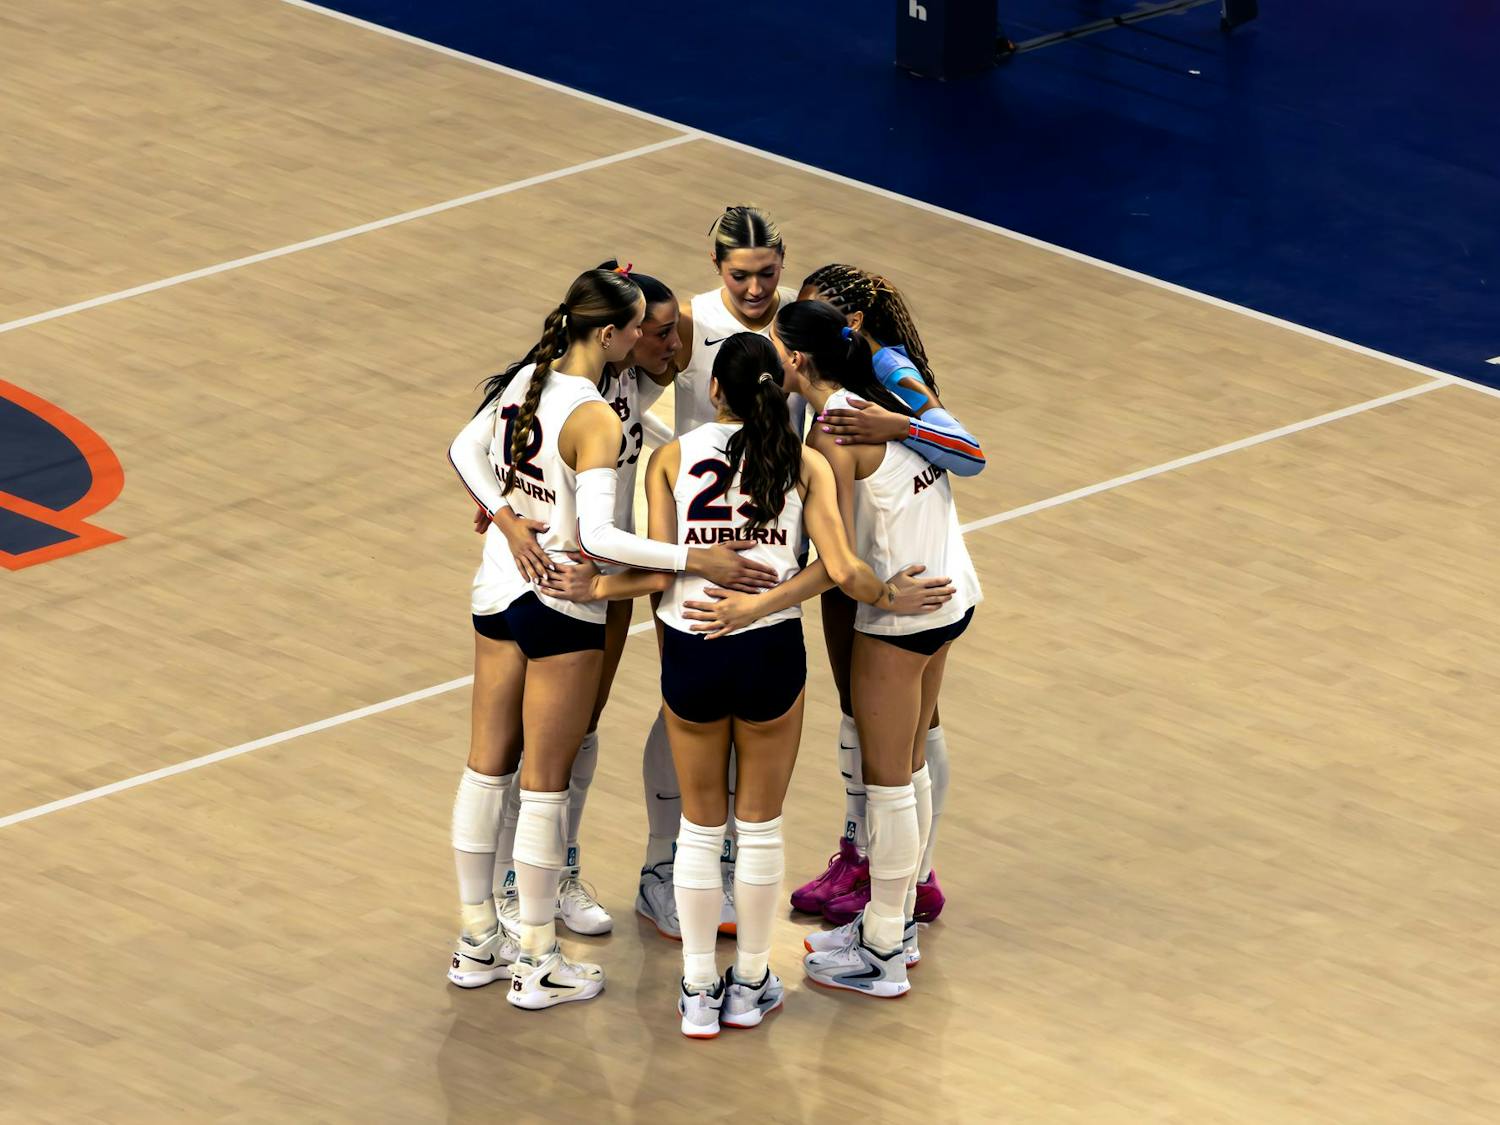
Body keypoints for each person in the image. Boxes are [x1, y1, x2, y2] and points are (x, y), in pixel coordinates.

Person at [547, 332, 951, 1034]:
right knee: (759, 827)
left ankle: (699, 989)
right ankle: (754, 980)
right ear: (778, 388)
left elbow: (663, 568)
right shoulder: (804, 463)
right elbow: (835, 566)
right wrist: (793, 602)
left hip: (691, 643)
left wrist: (602, 582)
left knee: (701, 828)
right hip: (770, 649)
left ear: (716, 392)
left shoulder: (671, 458)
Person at [443, 268, 776, 1009]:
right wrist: (696, 557)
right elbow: (594, 534)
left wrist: (501, 516)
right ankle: (536, 959)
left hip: (498, 588)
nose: (653, 342)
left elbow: (463, 448)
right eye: (638, 330)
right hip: (566, 599)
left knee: (484, 769)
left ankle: (475, 943)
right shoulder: (592, 413)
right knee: (542, 787)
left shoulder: (531, 377)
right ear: (608, 332)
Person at [684, 301, 981, 998]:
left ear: (793, 360)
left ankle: (881, 948)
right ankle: (895, 922)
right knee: (908, 772)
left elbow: (840, 564)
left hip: (903, 613)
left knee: (889, 784)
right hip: (953, 592)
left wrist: (863, 596)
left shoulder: (834, 433)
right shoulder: (886, 391)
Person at [472, 264, 681, 940]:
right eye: (658, 331)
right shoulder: (566, 386)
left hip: (608, 578)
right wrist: (503, 513)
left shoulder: (637, 376)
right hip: (567, 577)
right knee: (530, 751)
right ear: (617, 331)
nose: (671, 344)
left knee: (579, 730)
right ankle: (512, 885)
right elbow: (473, 443)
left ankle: (556, 872)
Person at [788, 264, 986, 928]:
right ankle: (864, 852)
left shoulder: (892, 371)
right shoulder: (828, 392)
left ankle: (900, 885)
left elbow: (969, 452)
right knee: (861, 714)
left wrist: (899, 425)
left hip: (888, 573)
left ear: (852, 324)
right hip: (874, 560)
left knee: (900, 742)